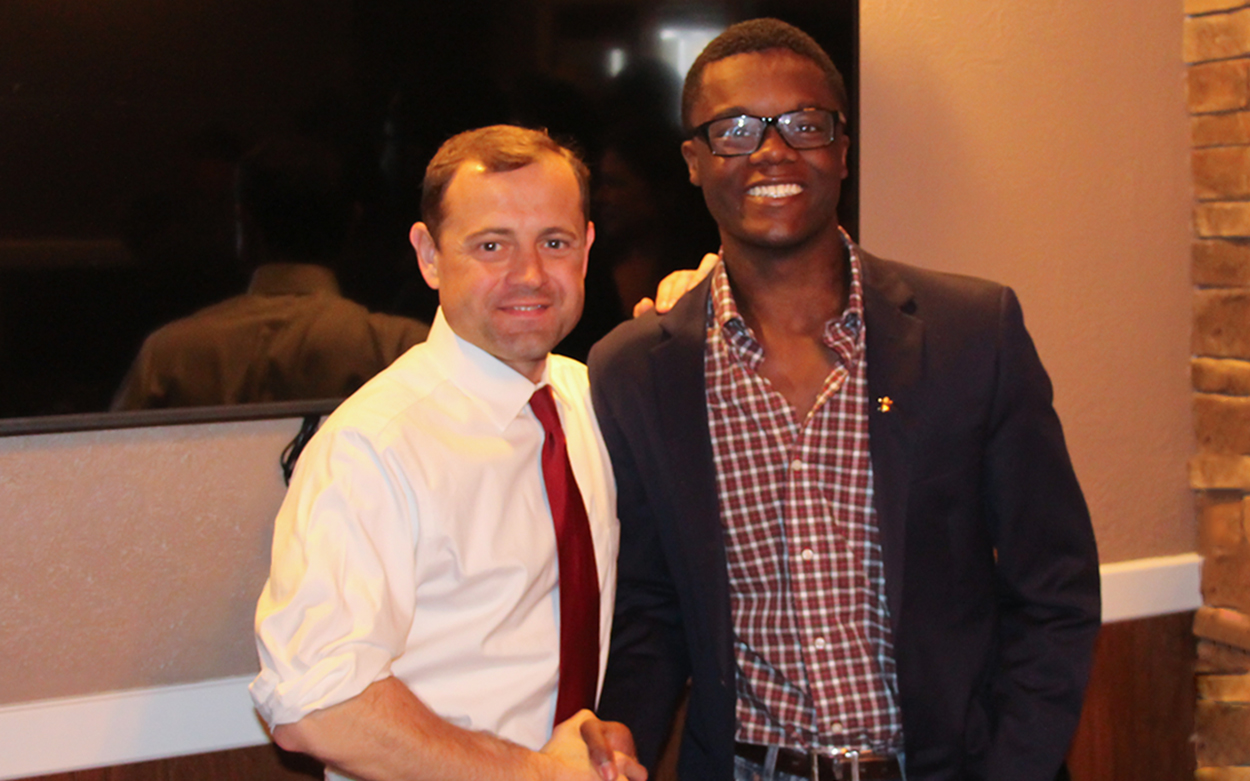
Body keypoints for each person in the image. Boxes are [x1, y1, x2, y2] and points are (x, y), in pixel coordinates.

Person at [588, 18, 1101, 781]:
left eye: (803, 124)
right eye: (735, 129)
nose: (772, 151)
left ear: (843, 149)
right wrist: (611, 750)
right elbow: (651, 611)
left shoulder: (973, 334)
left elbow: (1053, 586)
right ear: (694, 162)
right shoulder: (634, 371)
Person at [250, 125, 645, 781]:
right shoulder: (371, 447)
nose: (530, 275)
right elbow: (314, 703)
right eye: (491, 245)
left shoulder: (592, 402)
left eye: (555, 242)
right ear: (429, 255)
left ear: (587, 250)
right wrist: (539, 776)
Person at [112, 135, 429, 410]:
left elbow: (109, 467)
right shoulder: (403, 349)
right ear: (352, 224)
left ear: (245, 227)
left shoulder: (169, 354)